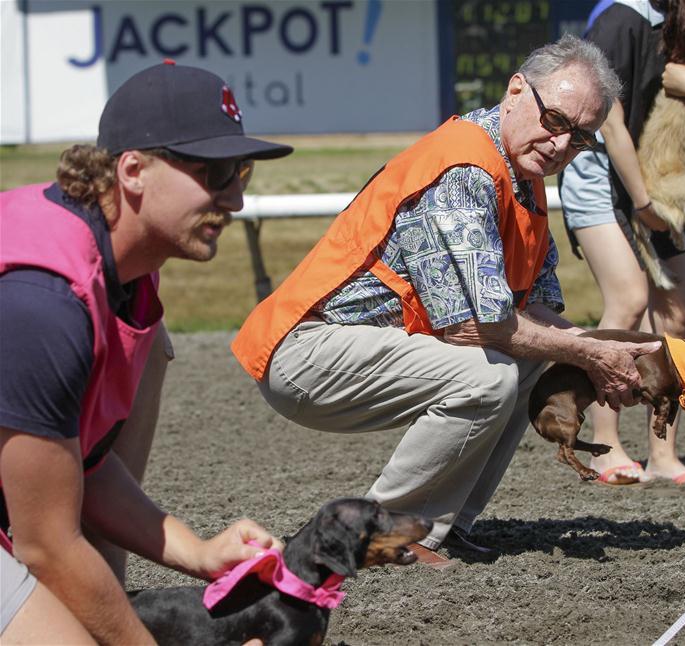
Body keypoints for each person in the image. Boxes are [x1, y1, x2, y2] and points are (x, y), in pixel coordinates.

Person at [232, 35, 661, 567]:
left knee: (529, 359)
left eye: (580, 138)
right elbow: (471, 327)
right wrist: (591, 355)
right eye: (554, 120)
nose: (559, 144)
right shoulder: (464, 170)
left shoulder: (519, 174)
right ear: (516, 90)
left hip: (344, 346)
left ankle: (441, 526)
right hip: (302, 352)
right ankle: (378, 536)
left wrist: (621, 350)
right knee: (489, 376)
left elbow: (533, 319)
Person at [0, 62, 292, 643]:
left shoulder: (128, 273)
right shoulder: (44, 301)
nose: (233, 198)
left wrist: (200, 554)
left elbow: (80, 466)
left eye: (241, 170)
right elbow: (44, 540)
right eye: (212, 172)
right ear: (133, 170)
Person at [558, 0, 685, 483]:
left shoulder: (684, 23)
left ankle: (663, 454)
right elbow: (611, 123)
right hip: (602, 178)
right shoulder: (621, 20)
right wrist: (644, 203)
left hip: (656, 180)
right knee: (627, 302)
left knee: (675, 314)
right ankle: (605, 447)